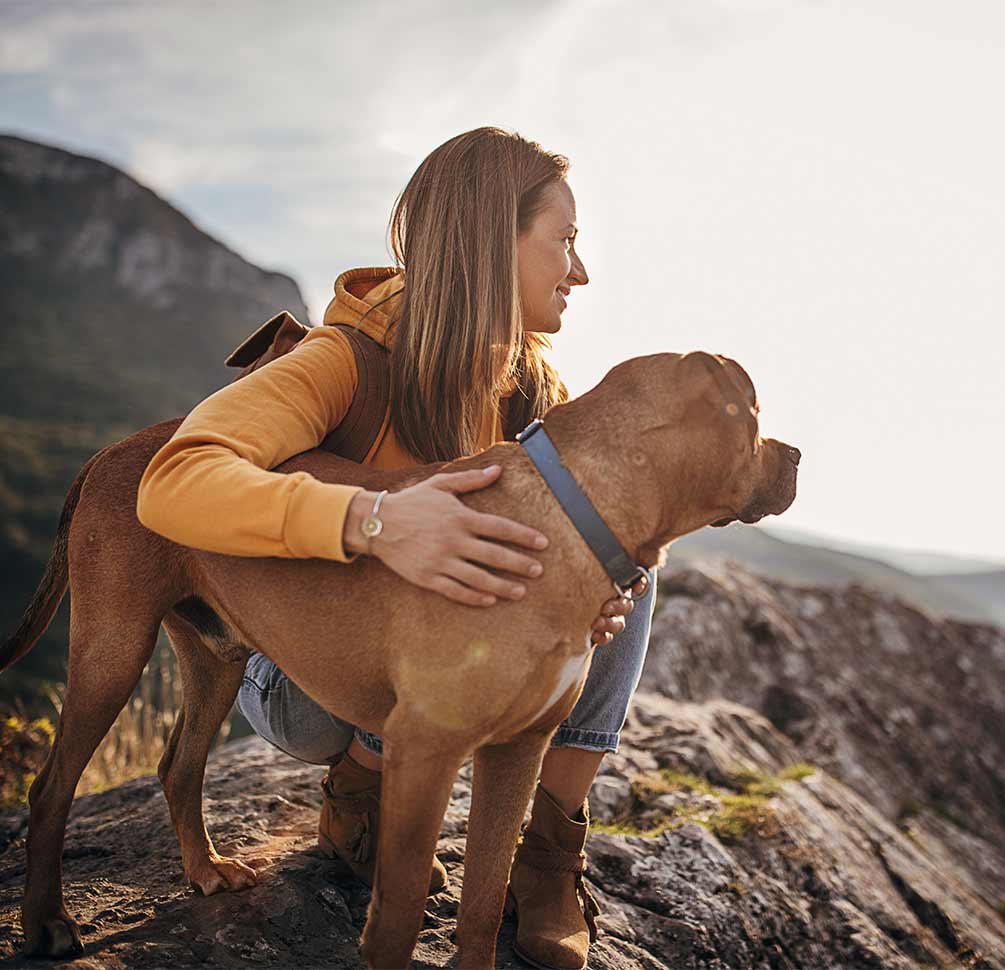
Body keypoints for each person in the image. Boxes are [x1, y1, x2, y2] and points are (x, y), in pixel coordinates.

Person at [136, 125, 657, 970]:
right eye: (564, 242)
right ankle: (361, 787)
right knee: (357, 682)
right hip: (310, 679)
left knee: (622, 566)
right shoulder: (344, 358)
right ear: (493, 245)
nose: (581, 271)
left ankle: (549, 860)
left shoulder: (534, 388)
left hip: (439, 663)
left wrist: (590, 606)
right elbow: (172, 480)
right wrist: (372, 523)